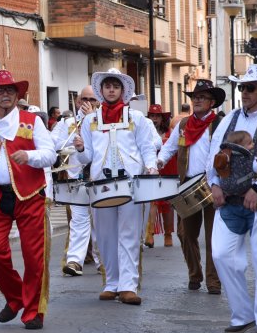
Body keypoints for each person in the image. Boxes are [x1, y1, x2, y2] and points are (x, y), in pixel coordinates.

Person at [0, 70, 57, 330]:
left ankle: (33, 311)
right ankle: (16, 297)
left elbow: (50, 154)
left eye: (10, 90)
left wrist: (29, 157)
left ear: (17, 95)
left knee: (33, 257)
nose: (5, 94)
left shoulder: (32, 122)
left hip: (30, 196)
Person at [207, 64, 257, 333]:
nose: (244, 93)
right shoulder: (228, 121)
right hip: (230, 202)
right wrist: (214, 184)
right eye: (242, 87)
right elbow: (213, 156)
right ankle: (243, 314)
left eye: (250, 88)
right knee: (221, 255)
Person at [74, 68, 157, 305]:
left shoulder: (136, 118)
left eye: (116, 86)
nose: (111, 90)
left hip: (129, 184)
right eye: (107, 86)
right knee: (105, 236)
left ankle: (128, 285)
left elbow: (146, 147)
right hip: (101, 185)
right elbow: (86, 157)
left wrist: (150, 167)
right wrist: (80, 148)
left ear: (123, 90)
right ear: (101, 90)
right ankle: (111, 282)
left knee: (130, 234)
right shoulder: (90, 120)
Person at [157, 79, 224, 294]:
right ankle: (195, 274)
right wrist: (158, 161)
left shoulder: (219, 124)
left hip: (213, 184)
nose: (197, 100)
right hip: (188, 185)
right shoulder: (184, 125)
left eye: (202, 97)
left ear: (212, 102)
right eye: (195, 97)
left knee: (214, 237)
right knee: (185, 233)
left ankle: (213, 281)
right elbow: (168, 148)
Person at [51, 86, 100, 277]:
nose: (88, 103)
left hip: (97, 179)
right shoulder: (68, 123)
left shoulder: (102, 121)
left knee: (99, 222)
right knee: (78, 221)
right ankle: (74, 261)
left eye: (92, 99)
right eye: (84, 99)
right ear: (78, 101)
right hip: (76, 179)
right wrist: (72, 140)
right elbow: (53, 143)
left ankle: (102, 262)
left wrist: (91, 120)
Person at [145, 104, 176, 248]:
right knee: (152, 203)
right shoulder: (145, 132)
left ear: (162, 118)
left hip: (168, 171)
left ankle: (168, 234)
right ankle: (149, 233)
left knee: (168, 205)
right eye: (152, 116)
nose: (154, 118)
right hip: (151, 171)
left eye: (157, 116)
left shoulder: (169, 133)